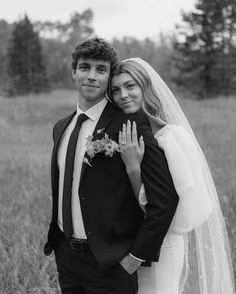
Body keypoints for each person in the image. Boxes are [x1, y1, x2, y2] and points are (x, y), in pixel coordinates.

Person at [44, 39, 179, 294]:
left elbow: (165, 200)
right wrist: (60, 247)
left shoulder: (130, 123)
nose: (92, 76)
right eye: (85, 67)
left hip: (111, 264)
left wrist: (135, 258)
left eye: (101, 69)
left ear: (109, 77)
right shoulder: (61, 127)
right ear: (74, 72)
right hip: (66, 258)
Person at [108, 58, 236, 294]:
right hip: (136, 240)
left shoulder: (171, 137)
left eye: (130, 86)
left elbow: (165, 205)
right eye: (116, 90)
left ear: (145, 87)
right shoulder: (133, 132)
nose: (123, 95)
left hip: (162, 244)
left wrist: (133, 168)